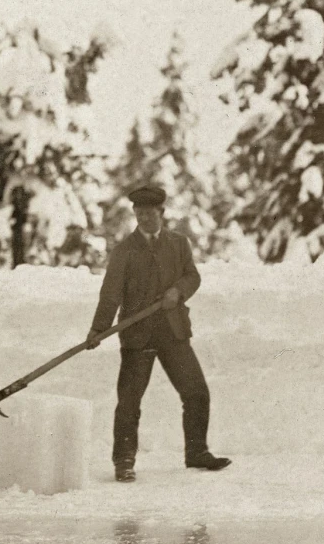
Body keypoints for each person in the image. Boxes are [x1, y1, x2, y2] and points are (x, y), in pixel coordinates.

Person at [88, 185, 230, 483]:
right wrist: (98, 329)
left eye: (150, 214)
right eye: (140, 214)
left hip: (173, 333)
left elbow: (193, 276)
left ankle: (196, 452)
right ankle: (123, 461)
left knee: (196, 392)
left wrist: (178, 291)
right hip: (137, 336)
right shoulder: (124, 251)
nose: (145, 219)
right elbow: (110, 295)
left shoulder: (178, 244)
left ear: (162, 213)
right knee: (129, 401)